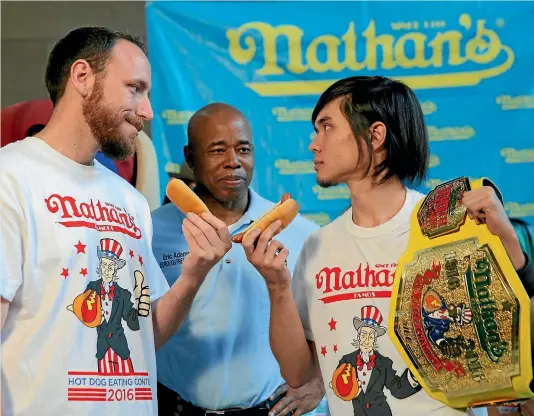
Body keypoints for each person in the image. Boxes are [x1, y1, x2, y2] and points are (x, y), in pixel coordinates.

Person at [239, 76, 534, 416]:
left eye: (326, 127)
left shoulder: (448, 226)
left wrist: (511, 247)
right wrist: (276, 285)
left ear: (375, 136)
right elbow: (299, 374)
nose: (313, 145)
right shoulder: (318, 246)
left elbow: (511, 343)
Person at [0, 27, 232, 416]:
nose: (148, 111)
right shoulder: (10, 176)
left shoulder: (129, 199)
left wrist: (194, 273)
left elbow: (144, 332)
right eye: (135, 88)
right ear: (83, 77)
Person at [151, 102, 325, 416]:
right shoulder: (151, 231)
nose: (233, 162)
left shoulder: (301, 234)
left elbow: (333, 324)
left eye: (243, 149)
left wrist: (321, 381)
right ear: (191, 157)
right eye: (217, 151)